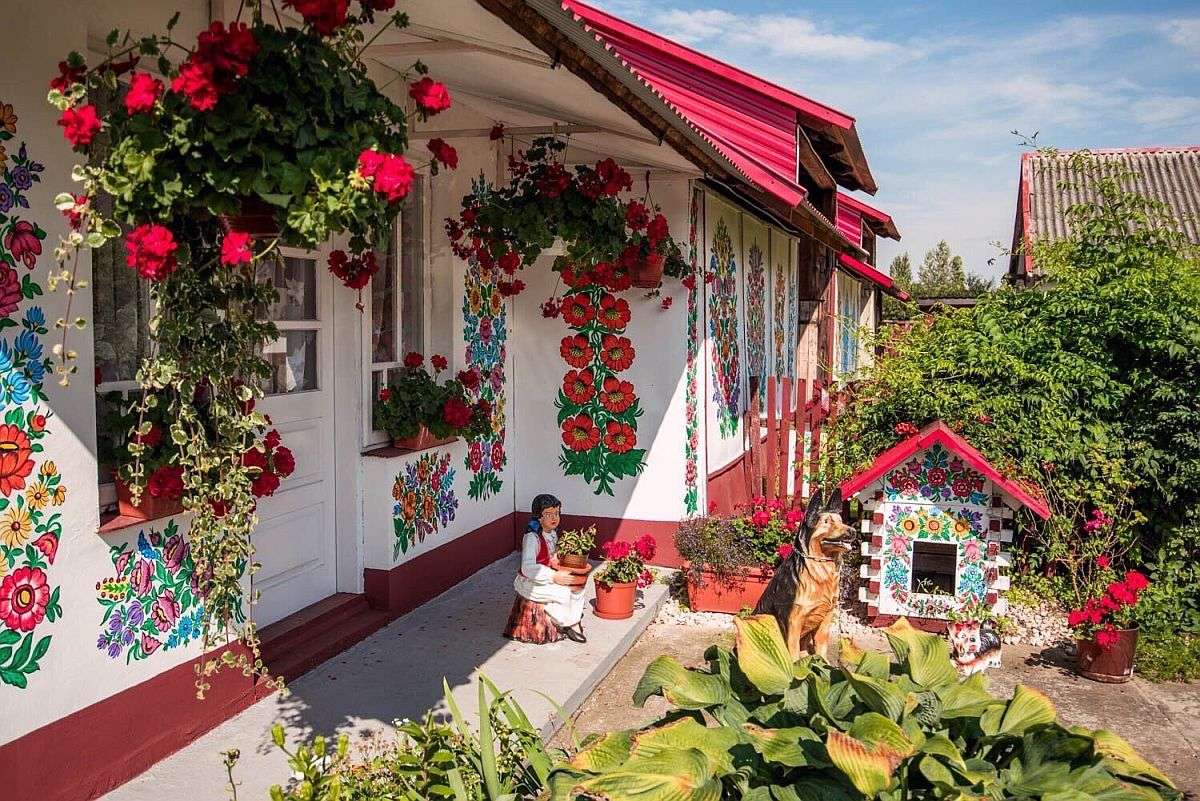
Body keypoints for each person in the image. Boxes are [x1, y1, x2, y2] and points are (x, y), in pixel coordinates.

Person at [513, 493, 590, 642]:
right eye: (548, 514)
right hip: (532, 582)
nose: (554, 517)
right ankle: (569, 624)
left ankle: (570, 619)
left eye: (556, 513)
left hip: (549, 576)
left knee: (578, 588)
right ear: (538, 517)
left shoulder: (553, 534)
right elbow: (527, 567)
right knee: (563, 593)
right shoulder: (532, 538)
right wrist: (553, 576)